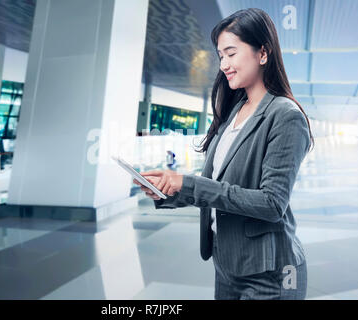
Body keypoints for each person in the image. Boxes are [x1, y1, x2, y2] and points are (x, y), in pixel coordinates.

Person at [134, 8, 314, 300]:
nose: (224, 65)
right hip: (228, 263)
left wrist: (187, 182)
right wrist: (168, 191)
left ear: (263, 53)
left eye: (231, 53)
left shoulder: (285, 116)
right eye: (220, 56)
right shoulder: (233, 113)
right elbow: (218, 186)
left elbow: (271, 203)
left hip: (270, 274)